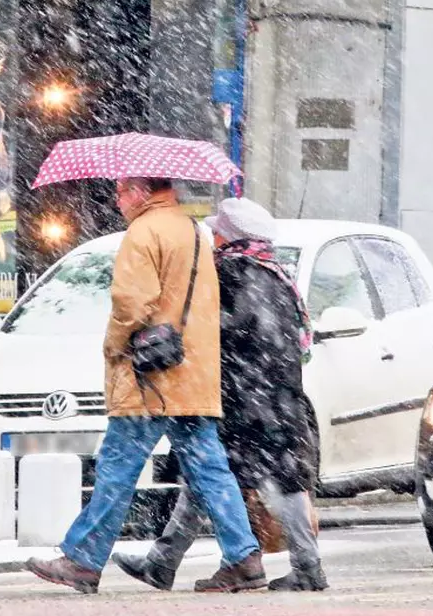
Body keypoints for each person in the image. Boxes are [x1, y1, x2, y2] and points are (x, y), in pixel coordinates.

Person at [23, 177, 265, 594]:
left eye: (120, 192)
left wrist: (114, 345)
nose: (117, 201)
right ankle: (244, 557)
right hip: (191, 371)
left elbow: (132, 303)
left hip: (150, 376)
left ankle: (82, 559)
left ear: (140, 190)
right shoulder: (195, 231)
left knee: (117, 467)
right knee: (210, 469)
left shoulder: (144, 231)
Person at [111, 197, 327, 592]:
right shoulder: (277, 275)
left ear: (229, 235)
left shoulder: (228, 273)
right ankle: (167, 561)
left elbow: (217, 331)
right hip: (279, 397)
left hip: (242, 398)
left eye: (217, 231)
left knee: (213, 477)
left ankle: (207, 564)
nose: (212, 237)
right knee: (272, 480)